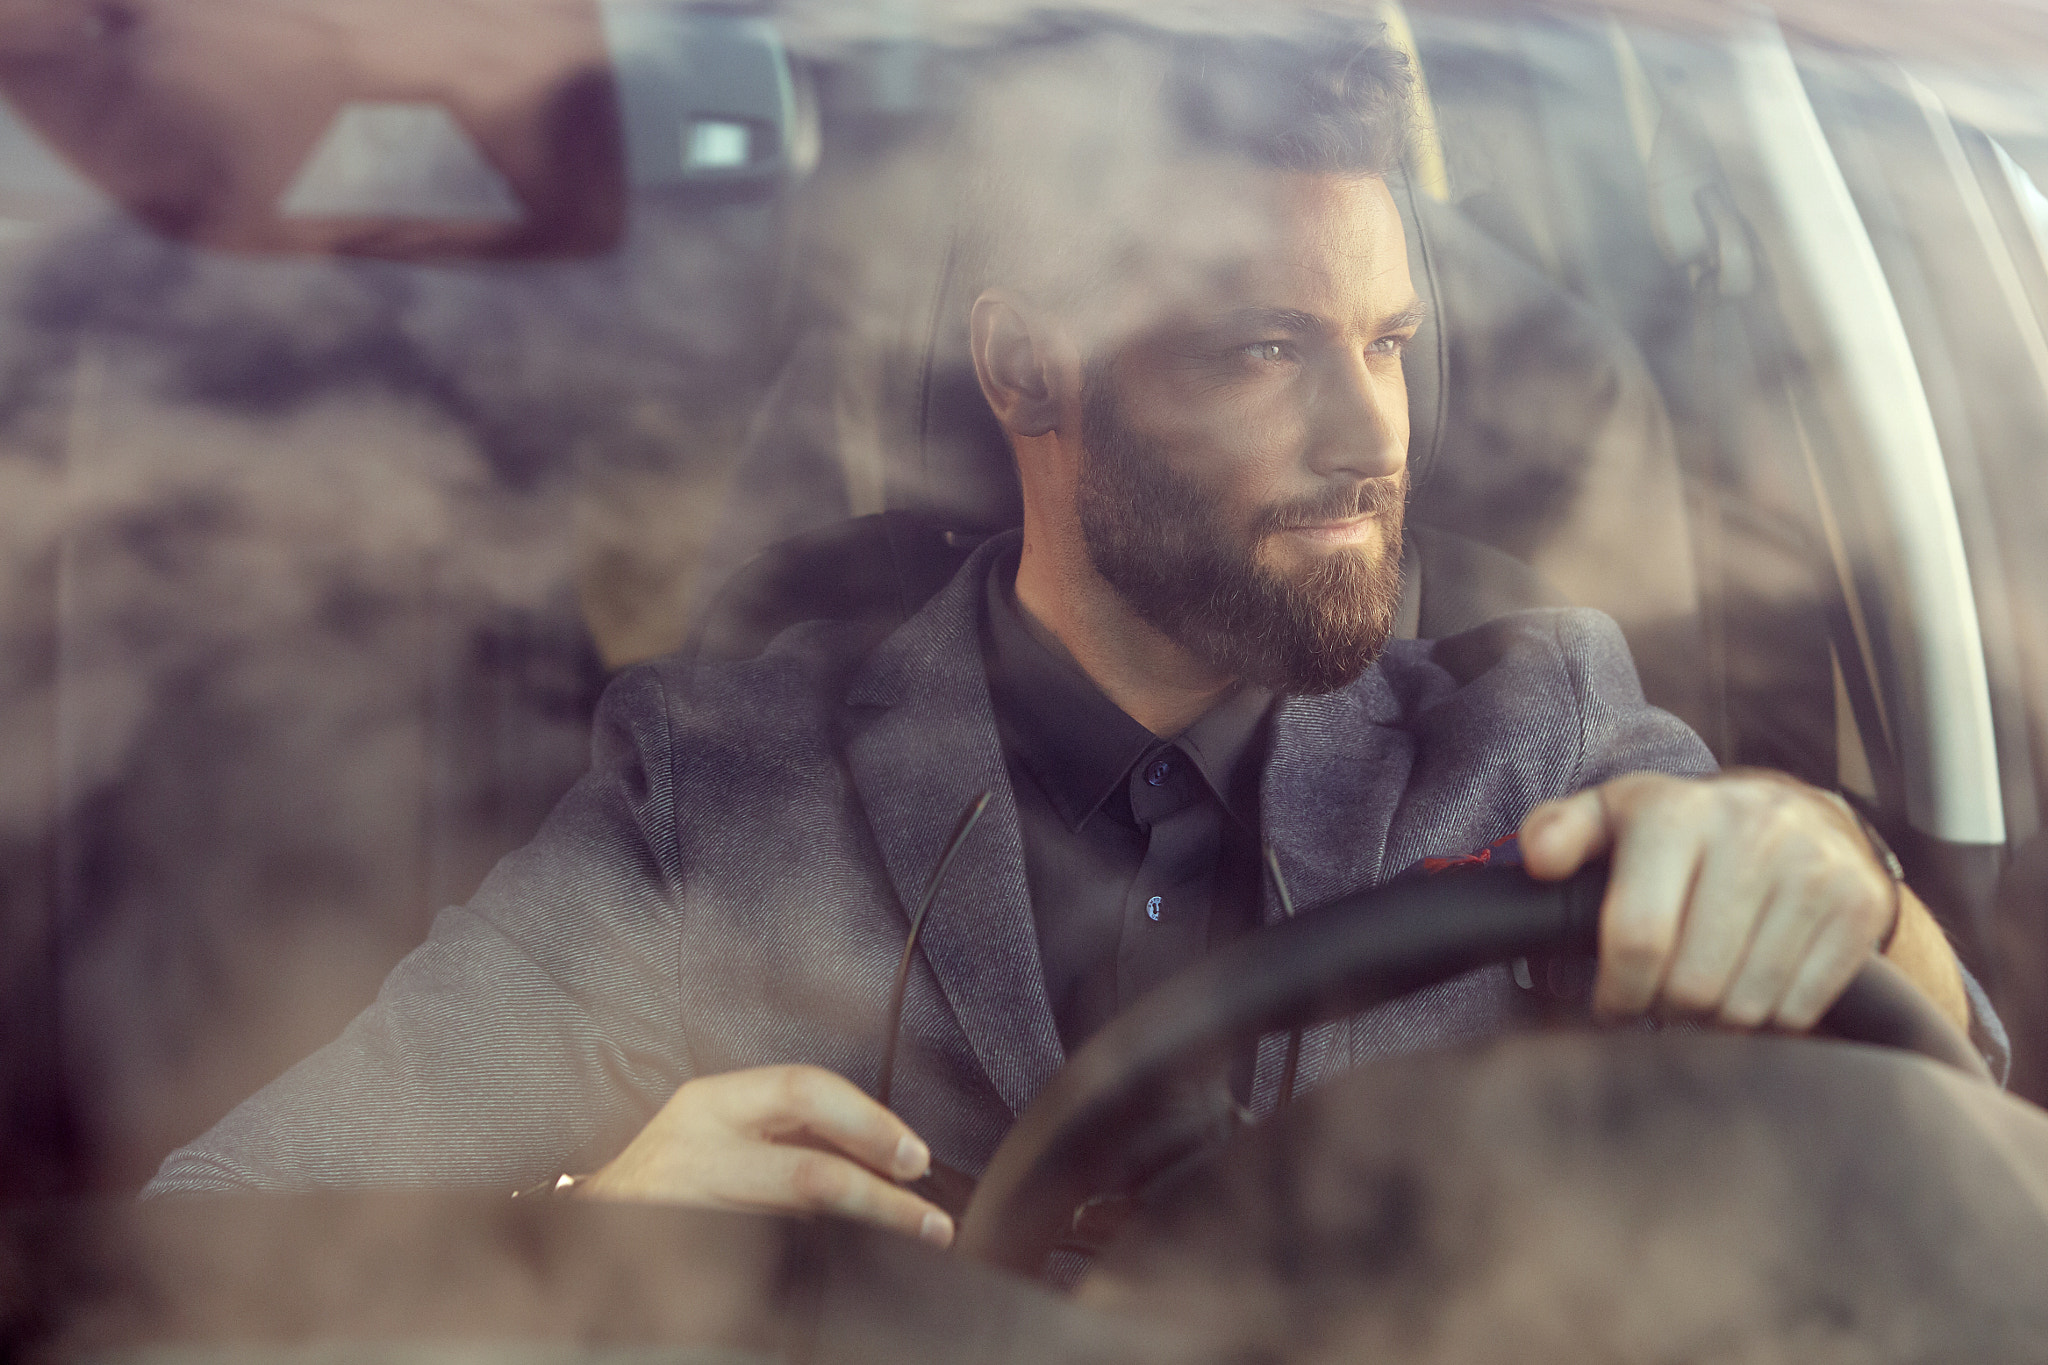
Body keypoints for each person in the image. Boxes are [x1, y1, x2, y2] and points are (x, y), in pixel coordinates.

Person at [147, 26, 1991, 1257]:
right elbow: (209, 1238)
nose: (1373, 440)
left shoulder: (1546, 727)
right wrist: (588, 1220)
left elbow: (1961, 1099)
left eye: (1389, 342)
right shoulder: (718, 794)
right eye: (1266, 350)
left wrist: (1836, 870)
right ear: (1030, 365)